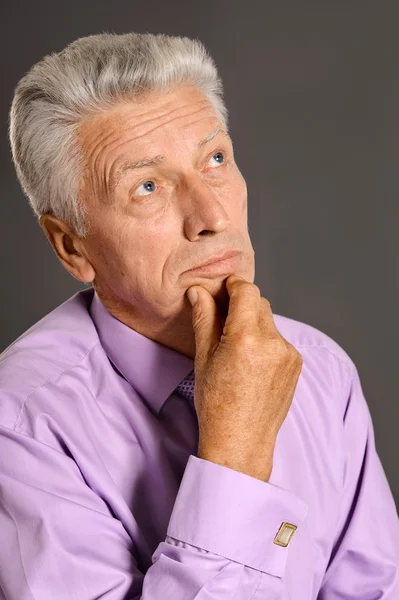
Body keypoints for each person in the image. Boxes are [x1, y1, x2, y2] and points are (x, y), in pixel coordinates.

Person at [0, 31, 397, 599]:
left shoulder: (322, 368)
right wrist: (234, 456)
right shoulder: (20, 430)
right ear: (72, 247)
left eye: (215, 159)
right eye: (148, 186)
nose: (211, 214)